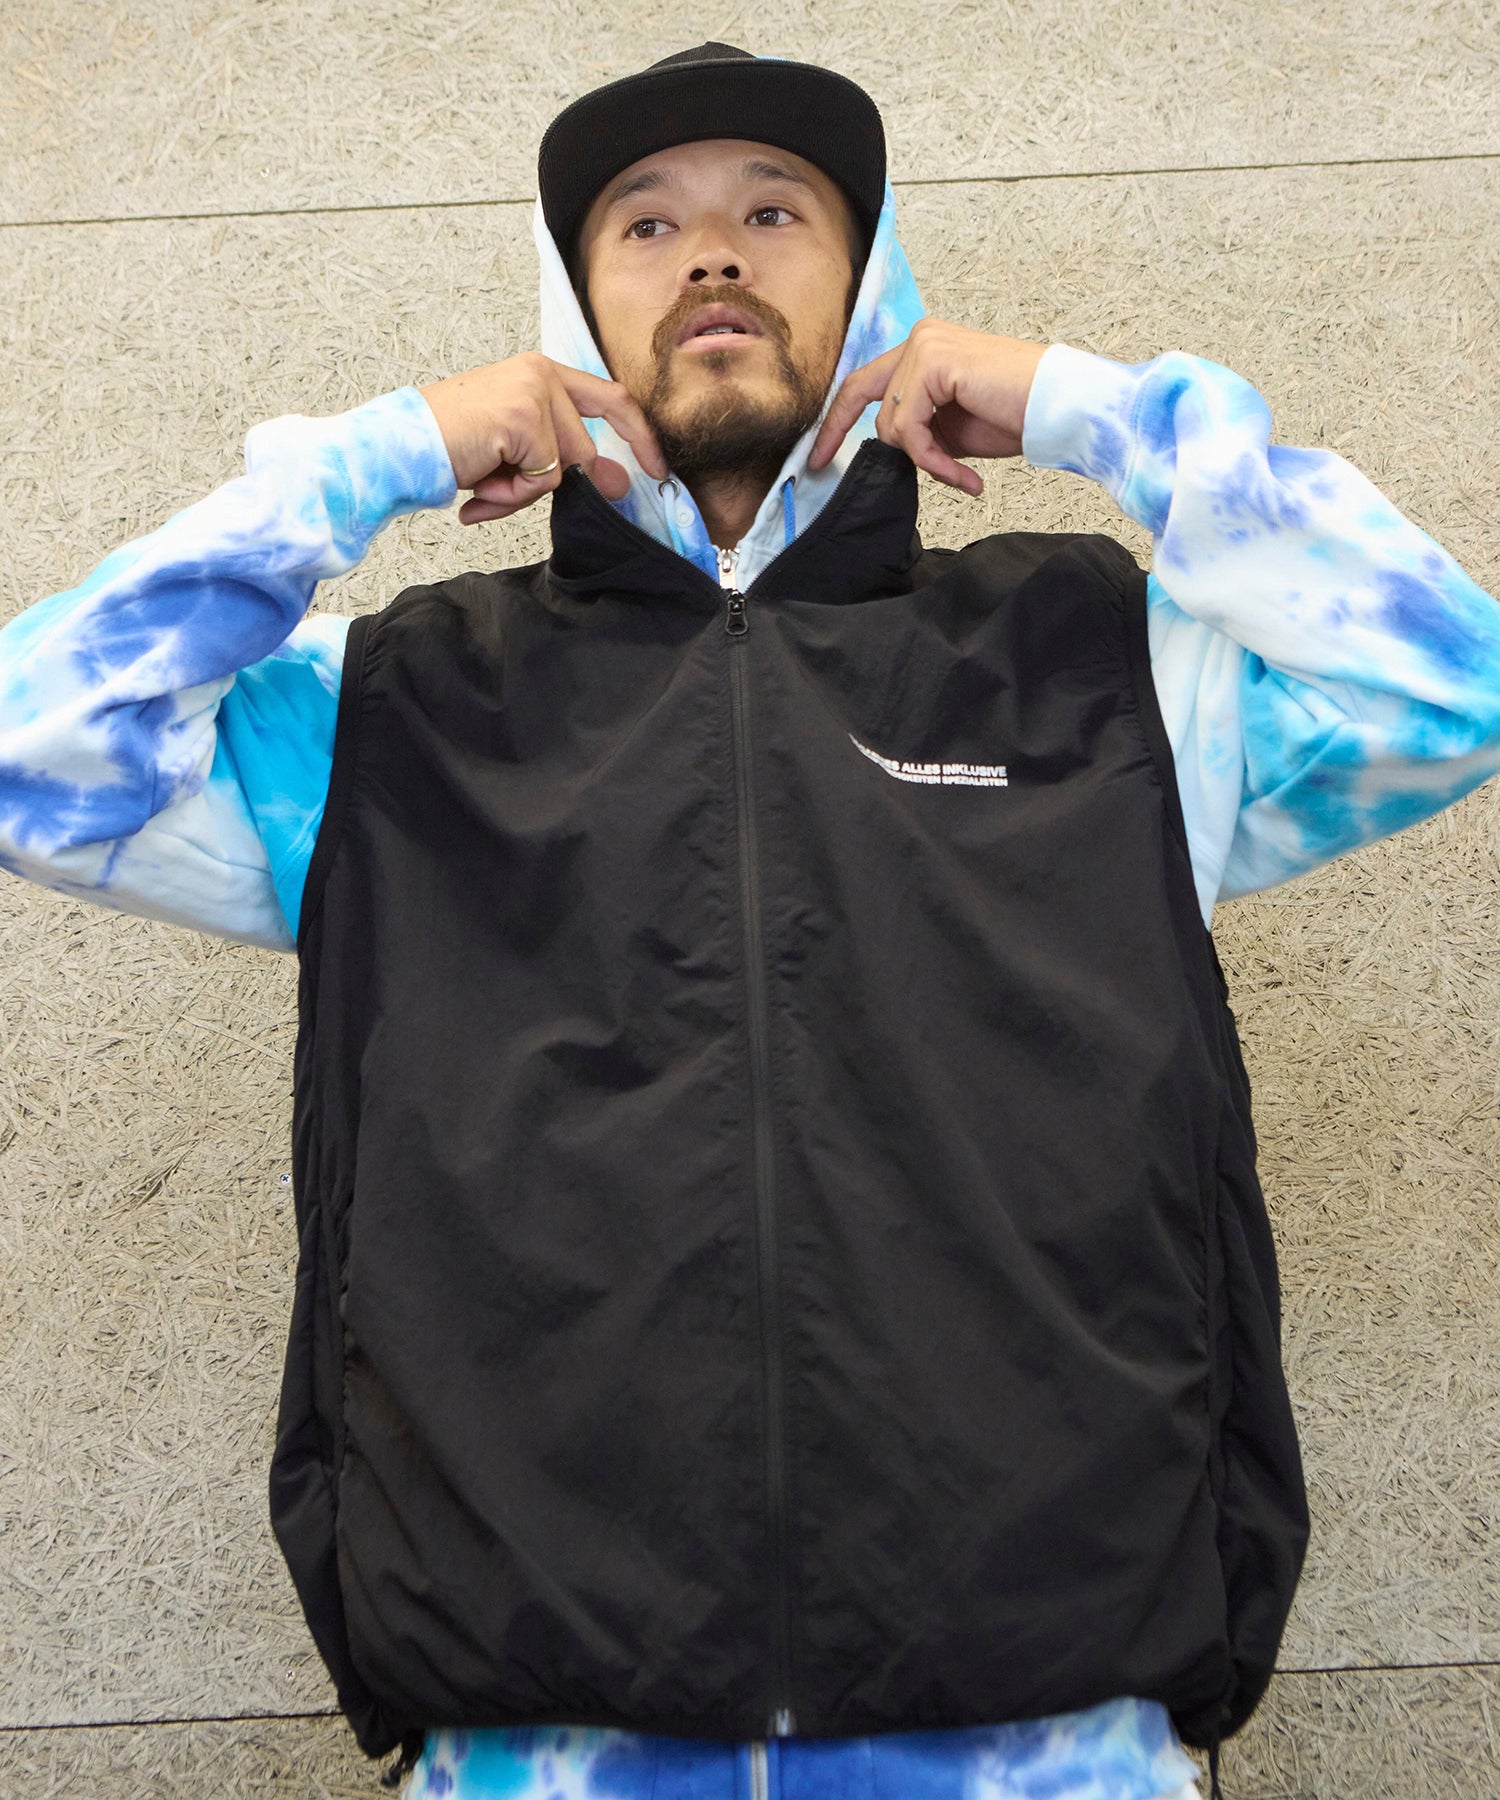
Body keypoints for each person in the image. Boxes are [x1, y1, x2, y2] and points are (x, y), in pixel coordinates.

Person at [3, 41, 1499, 1800]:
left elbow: (1449, 683)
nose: (712, 251)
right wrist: (373, 458)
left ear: (876, 290)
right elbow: (37, 750)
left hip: (1050, 1734)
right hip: (546, 1741)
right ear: (572, 310)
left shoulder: (1103, 672)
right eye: (645, 225)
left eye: (774, 212)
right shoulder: (398, 717)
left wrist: (1093, 411)